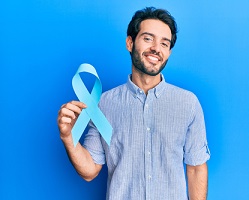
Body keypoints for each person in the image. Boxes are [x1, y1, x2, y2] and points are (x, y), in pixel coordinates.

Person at [57, 7, 210, 200]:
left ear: (169, 52)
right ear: (130, 43)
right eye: (148, 38)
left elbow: (196, 168)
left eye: (165, 43)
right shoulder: (103, 104)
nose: (156, 48)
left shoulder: (188, 103)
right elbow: (89, 170)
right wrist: (68, 137)